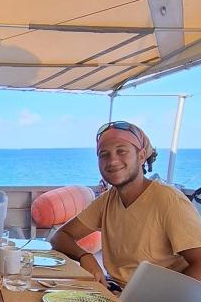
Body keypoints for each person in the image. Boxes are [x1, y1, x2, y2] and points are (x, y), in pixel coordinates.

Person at [51, 121, 201, 287]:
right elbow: (60, 236)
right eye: (104, 154)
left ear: (142, 156)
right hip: (115, 292)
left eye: (121, 151)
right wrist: (85, 256)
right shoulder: (108, 200)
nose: (112, 161)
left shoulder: (169, 200)